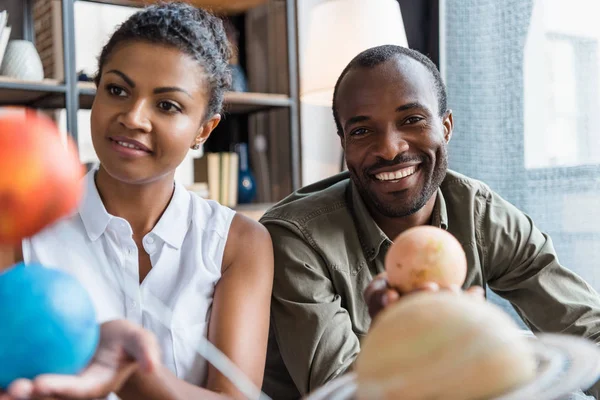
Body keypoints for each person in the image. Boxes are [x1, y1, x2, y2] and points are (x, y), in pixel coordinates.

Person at [260, 44, 600, 399]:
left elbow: (588, 332)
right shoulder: (298, 239)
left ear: (446, 126)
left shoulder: (479, 214)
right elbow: (339, 392)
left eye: (412, 120)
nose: (390, 149)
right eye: (362, 131)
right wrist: (411, 333)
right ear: (343, 143)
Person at [0, 2, 273, 399]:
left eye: (167, 105)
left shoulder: (239, 243)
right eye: (117, 90)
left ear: (203, 129)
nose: (133, 117)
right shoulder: (20, 222)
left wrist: (125, 369)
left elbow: (236, 397)